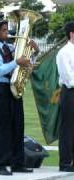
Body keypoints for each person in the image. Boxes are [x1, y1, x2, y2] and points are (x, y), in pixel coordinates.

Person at [0, 13, 38, 175]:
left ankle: (17, 163)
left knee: (17, 126)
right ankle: (0, 165)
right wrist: (16, 62)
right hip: (1, 89)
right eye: (4, 30)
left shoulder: (11, 47)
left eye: (7, 29)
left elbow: (26, 64)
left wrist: (33, 52)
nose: (8, 32)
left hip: (15, 89)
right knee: (2, 128)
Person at [56, 21, 74, 172]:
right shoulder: (64, 52)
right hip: (70, 92)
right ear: (72, 34)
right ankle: (65, 163)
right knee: (68, 128)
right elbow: (68, 78)